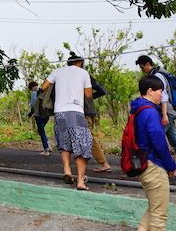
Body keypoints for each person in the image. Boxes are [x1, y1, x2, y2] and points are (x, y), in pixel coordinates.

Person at [125, 75, 176, 231]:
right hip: (154, 165)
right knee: (160, 213)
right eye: (159, 90)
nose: (162, 94)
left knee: (154, 208)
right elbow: (159, 141)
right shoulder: (150, 113)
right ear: (150, 91)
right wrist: (170, 165)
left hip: (144, 165)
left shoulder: (138, 109)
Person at [41, 52, 93, 190]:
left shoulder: (57, 71)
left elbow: (44, 86)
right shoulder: (83, 73)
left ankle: (67, 170)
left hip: (60, 112)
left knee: (64, 142)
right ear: (80, 62)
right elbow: (88, 94)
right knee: (81, 143)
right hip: (76, 112)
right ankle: (81, 181)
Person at [136, 55, 176, 176]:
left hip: (166, 111)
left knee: (156, 138)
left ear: (147, 64)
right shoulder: (157, 74)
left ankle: (160, 167)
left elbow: (163, 96)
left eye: (142, 67)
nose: (142, 70)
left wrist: (164, 115)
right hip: (169, 111)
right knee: (174, 139)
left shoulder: (157, 76)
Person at [77, 59, 112, 173]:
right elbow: (101, 91)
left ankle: (104, 163)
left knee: (88, 137)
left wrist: (85, 98)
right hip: (89, 110)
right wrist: (90, 98)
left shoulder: (79, 77)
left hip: (84, 111)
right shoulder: (88, 76)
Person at [27, 81, 51, 155]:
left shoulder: (34, 93)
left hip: (39, 115)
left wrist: (30, 114)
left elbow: (34, 105)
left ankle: (46, 150)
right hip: (46, 115)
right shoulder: (44, 91)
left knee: (41, 132)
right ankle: (48, 146)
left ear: (31, 88)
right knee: (41, 131)